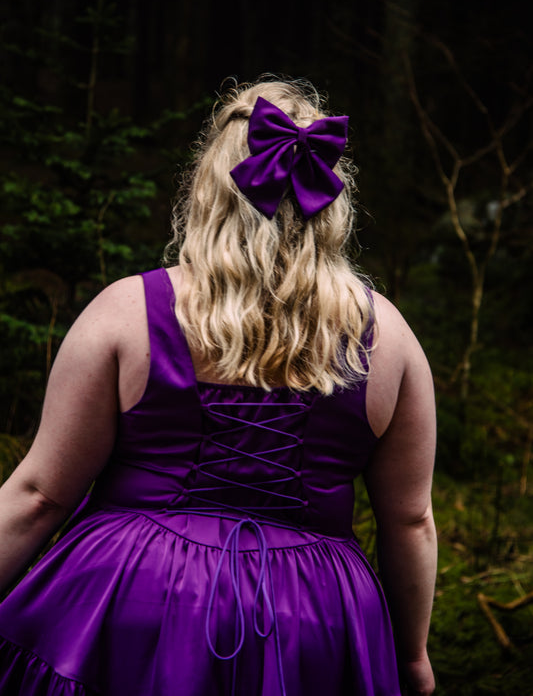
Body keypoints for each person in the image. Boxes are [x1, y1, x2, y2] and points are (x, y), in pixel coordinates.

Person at [0, 76, 437, 695]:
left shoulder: (127, 311)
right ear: (330, 197)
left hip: (132, 595)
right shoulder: (389, 336)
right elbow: (411, 520)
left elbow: (42, 493)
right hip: (314, 619)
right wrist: (412, 656)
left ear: (210, 188)